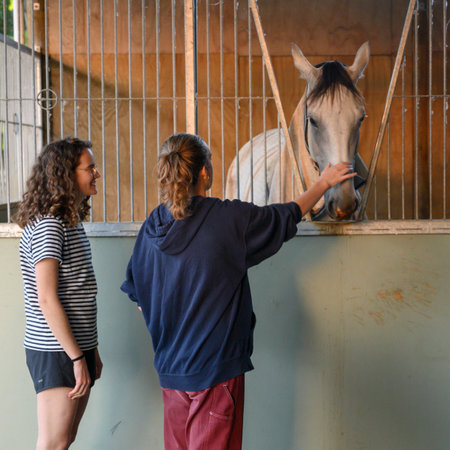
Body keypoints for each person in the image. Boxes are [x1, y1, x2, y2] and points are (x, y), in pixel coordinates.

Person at [121, 133, 355, 450]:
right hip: (215, 372)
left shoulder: (153, 226)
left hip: (171, 374)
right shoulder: (227, 219)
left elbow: (137, 292)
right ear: (204, 172)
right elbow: (283, 217)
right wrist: (323, 183)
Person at [16, 137, 103, 450]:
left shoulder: (69, 222)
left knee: (64, 440)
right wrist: (77, 356)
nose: (96, 174)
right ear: (67, 174)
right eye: (89, 168)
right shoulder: (49, 226)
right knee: (53, 443)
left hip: (75, 350)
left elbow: (76, 291)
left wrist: (89, 350)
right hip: (57, 352)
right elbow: (47, 298)